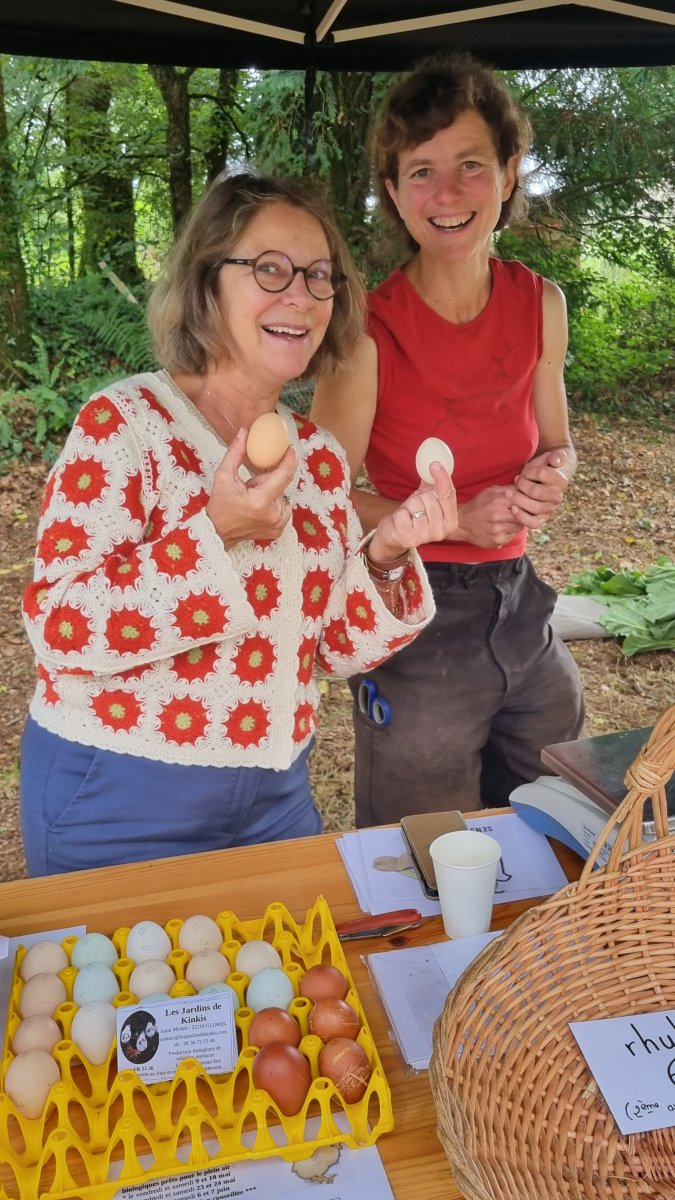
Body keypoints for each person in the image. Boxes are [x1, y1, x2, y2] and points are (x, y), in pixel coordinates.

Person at [20, 172, 457, 876]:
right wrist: (214, 531)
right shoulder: (124, 424)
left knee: (293, 983)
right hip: (120, 796)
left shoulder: (315, 455)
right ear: (206, 281)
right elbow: (61, 625)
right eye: (269, 269)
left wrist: (385, 550)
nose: (301, 296)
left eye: (320, 277)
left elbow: (329, 650)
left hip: (275, 797)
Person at [311, 55, 585, 827]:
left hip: (521, 602)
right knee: (418, 848)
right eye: (420, 172)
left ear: (507, 173)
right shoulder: (369, 332)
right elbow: (319, 491)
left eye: (469, 165)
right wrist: (456, 520)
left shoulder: (541, 304)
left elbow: (556, 443)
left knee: (556, 806)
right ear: (394, 195)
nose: (448, 193)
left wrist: (551, 475)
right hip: (413, 606)